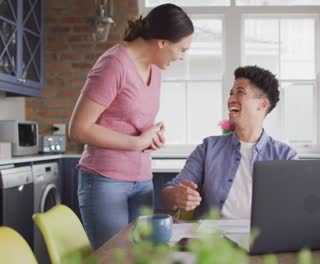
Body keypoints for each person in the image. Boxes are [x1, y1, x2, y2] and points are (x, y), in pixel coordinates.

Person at [68, 4, 193, 249]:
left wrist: (152, 137)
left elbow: (132, 123)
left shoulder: (155, 69)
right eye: (181, 49)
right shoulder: (114, 64)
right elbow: (79, 128)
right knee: (114, 257)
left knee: (143, 255)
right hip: (106, 181)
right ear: (162, 42)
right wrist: (137, 142)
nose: (182, 57)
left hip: (142, 180)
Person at [161, 66, 298, 220]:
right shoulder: (209, 148)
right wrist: (175, 196)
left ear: (262, 104)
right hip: (215, 240)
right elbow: (168, 194)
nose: (231, 99)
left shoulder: (285, 156)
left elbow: (295, 207)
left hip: (263, 239)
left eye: (240, 92)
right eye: (231, 93)